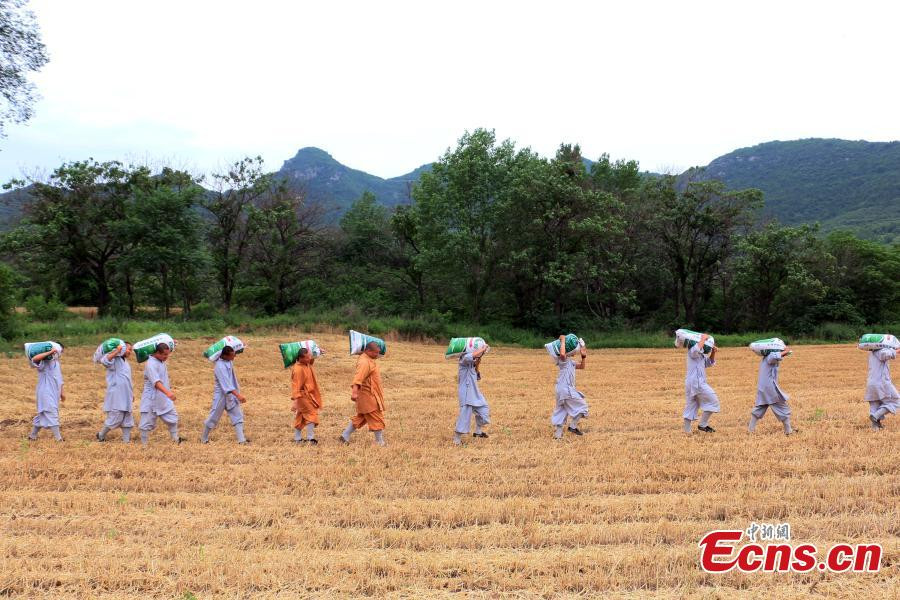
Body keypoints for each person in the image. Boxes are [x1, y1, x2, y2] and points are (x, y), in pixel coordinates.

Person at [340, 341, 386, 446]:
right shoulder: (364, 362)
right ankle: (380, 442)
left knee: (362, 417)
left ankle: (345, 435)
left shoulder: (368, 359)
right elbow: (358, 378)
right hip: (367, 395)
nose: (377, 355)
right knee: (376, 416)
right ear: (368, 351)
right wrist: (354, 392)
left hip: (370, 394)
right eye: (375, 353)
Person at [201, 346, 248, 444]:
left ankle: (241, 440)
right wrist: (238, 395)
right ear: (225, 356)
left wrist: (242, 346)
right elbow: (226, 385)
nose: (234, 357)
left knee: (237, 415)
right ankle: (203, 439)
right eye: (232, 355)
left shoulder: (228, 361)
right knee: (213, 417)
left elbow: (235, 353)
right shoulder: (219, 366)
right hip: (221, 396)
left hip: (231, 395)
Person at [138, 343, 184, 445]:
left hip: (163, 397)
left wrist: (172, 343)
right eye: (164, 355)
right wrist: (168, 393)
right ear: (157, 353)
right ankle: (144, 445)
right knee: (146, 423)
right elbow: (156, 382)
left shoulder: (161, 360)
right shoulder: (150, 364)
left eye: (168, 354)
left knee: (173, 417)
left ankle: (176, 439)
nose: (166, 357)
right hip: (151, 398)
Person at [748, 348, 796, 435]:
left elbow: (777, 357)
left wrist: (784, 353)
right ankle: (788, 431)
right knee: (782, 407)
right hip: (770, 388)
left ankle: (750, 430)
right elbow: (774, 356)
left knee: (761, 406)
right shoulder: (770, 356)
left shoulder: (766, 357)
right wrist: (786, 350)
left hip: (764, 387)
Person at [96, 341, 134, 443]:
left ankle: (126, 441)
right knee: (116, 416)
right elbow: (104, 361)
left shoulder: (126, 363)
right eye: (129, 349)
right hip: (116, 393)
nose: (130, 351)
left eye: (131, 350)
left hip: (126, 393)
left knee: (128, 417)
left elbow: (128, 379)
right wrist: (117, 351)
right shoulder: (114, 359)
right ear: (122, 349)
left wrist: (131, 394)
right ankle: (101, 435)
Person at [453, 343, 491, 445]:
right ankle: (456, 439)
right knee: (465, 415)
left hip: (475, 392)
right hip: (466, 392)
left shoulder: (473, 363)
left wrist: (478, 361)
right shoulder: (463, 359)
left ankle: (478, 432)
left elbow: (477, 377)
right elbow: (470, 356)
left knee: (484, 409)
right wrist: (482, 348)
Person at [552, 335, 588, 439]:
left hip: (559, 389)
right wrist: (563, 340)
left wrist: (583, 357)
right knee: (583, 407)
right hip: (565, 389)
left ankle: (557, 436)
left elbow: (582, 366)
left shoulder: (569, 362)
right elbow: (562, 353)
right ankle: (572, 426)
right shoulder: (562, 361)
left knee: (561, 410)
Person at [683, 333, 719, 434]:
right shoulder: (692, 351)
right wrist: (703, 338)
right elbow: (696, 349)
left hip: (691, 383)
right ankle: (703, 425)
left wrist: (713, 352)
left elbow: (710, 363)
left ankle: (687, 432)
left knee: (691, 404)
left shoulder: (701, 354)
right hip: (697, 383)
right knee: (714, 401)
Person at [28, 345, 65, 441]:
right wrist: (50, 352)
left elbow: (59, 379)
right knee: (51, 412)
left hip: (54, 392)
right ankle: (59, 439)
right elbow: (35, 359)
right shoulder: (45, 361)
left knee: (43, 414)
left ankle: (32, 436)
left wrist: (62, 392)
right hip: (45, 391)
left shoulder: (56, 363)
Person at [291, 347, 323, 444]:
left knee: (301, 416)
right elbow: (296, 387)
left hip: (308, 395)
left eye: (310, 356)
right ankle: (310, 438)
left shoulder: (306, 364)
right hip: (302, 396)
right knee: (312, 414)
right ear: (301, 358)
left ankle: (297, 438)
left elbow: (311, 361)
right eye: (307, 357)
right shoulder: (298, 370)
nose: (309, 358)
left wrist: (318, 353)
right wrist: (295, 402)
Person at [865, 346, 898, 430]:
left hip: (871, 383)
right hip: (881, 383)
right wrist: (896, 350)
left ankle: (875, 428)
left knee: (875, 404)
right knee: (896, 401)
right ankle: (875, 416)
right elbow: (886, 354)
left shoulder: (872, 353)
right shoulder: (881, 351)